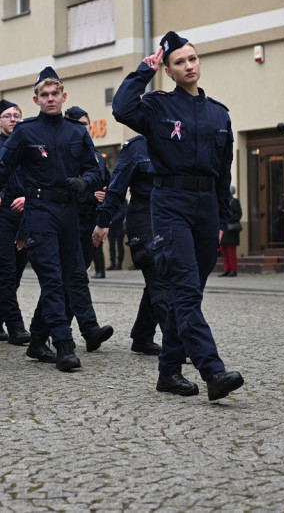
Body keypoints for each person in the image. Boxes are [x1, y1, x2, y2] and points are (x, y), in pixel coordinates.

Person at [112, 30, 244, 401]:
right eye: (180, 62)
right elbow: (122, 108)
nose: (189, 66)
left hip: (206, 210)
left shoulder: (219, 113)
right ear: (168, 71)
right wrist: (143, 69)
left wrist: (221, 220)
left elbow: (224, 171)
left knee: (190, 295)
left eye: (193, 58)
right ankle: (212, 371)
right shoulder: (157, 107)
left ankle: (169, 372)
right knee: (184, 290)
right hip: (170, 202)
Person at [0, 66, 103, 372]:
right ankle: (63, 344)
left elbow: (97, 169)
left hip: (69, 213)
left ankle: (37, 342)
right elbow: (1, 168)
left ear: (64, 96)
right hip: (39, 211)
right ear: (36, 99)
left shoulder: (76, 131)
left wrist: (85, 182)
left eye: (54, 94)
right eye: (44, 95)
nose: (50, 99)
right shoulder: (25, 131)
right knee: (51, 279)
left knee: (73, 276)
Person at [92, 134, 167, 355]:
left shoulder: (176, 140)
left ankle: (142, 337)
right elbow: (117, 186)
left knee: (159, 280)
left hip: (170, 215)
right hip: (143, 215)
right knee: (157, 272)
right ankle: (179, 344)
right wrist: (103, 220)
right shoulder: (135, 147)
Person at [60, 105, 114, 349]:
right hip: (71, 219)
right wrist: (94, 196)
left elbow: (110, 187)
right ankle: (87, 330)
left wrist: (107, 204)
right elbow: (67, 189)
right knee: (76, 277)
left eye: (86, 124)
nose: (84, 129)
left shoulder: (95, 156)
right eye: (78, 125)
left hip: (91, 222)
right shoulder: (65, 153)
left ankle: (55, 330)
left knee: (74, 278)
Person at [0, 99, 31, 346]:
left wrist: (29, 198)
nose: (13, 119)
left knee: (15, 277)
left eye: (17, 115)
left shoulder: (29, 146)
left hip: (25, 215)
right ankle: (16, 326)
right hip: (0, 215)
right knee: (6, 272)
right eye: (8, 116)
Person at [220, 186, 242, 277]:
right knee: (224, 251)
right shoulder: (222, 201)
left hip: (231, 230)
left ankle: (233, 270)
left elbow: (238, 215)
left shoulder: (234, 202)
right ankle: (227, 269)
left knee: (231, 251)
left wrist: (228, 219)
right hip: (224, 230)